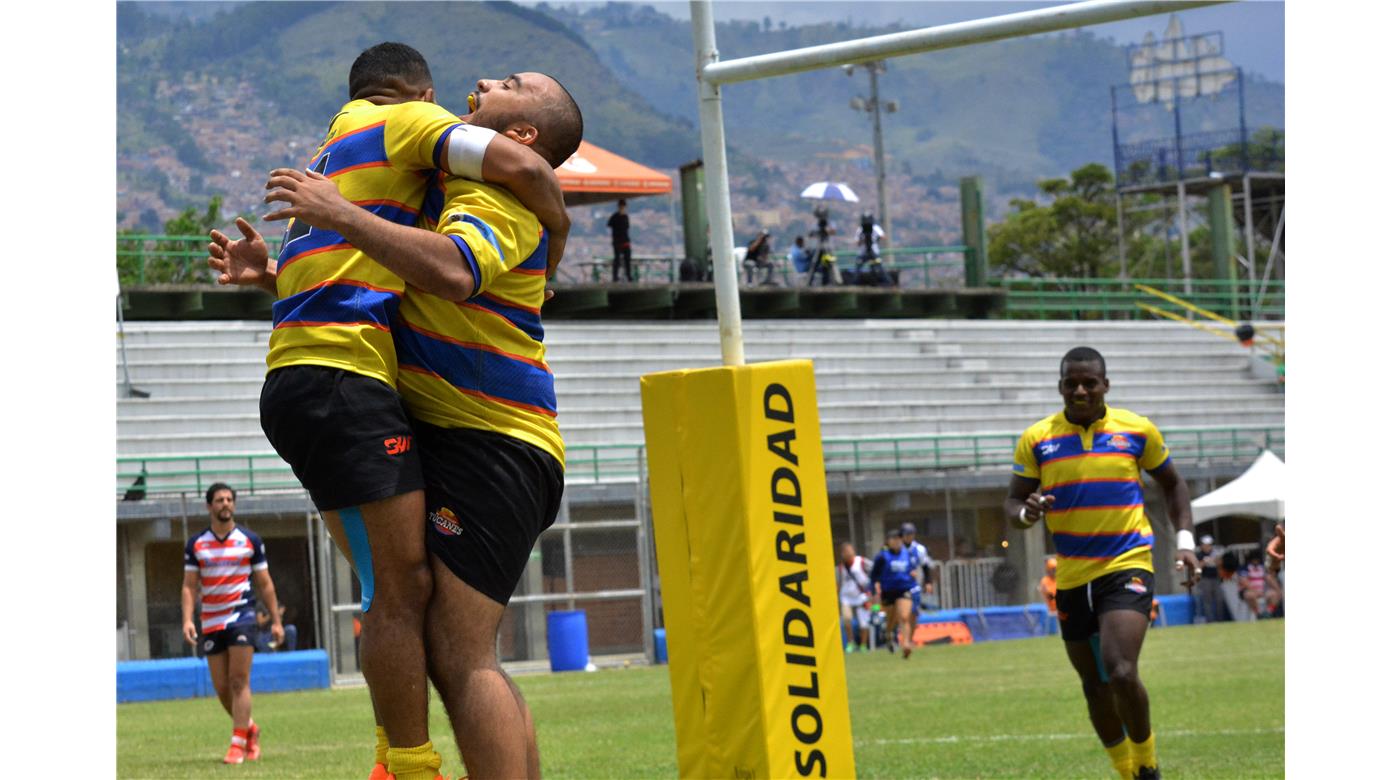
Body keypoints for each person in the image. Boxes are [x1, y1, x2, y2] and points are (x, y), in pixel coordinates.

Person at [208, 43, 570, 780]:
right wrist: (281, 274)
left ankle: (402, 763)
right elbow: (369, 278)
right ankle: (403, 758)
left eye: (508, 84)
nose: (483, 81)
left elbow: (451, 269)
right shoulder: (434, 190)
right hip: (455, 432)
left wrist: (555, 233)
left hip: (495, 440)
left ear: (522, 136)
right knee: (441, 636)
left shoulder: (498, 196)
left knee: (460, 651)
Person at [1005, 346, 1199, 780]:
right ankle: (1126, 770)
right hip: (1072, 574)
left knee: (1121, 669)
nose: (1080, 390)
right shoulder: (1037, 439)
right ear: (1060, 387)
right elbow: (1014, 502)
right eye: (1071, 382)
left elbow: (1173, 484)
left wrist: (1185, 541)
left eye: (1089, 382)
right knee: (1094, 685)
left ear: (1105, 385)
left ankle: (1148, 765)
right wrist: (1026, 514)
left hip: (1127, 563)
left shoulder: (1136, 430)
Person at [181, 483, 284, 765]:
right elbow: (189, 586)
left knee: (239, 681)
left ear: (234, 505)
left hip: (242, 617)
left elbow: (265, 583)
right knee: (222, 688)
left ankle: (237, 743)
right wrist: (188, 619)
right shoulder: (196, 544)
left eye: (229, 499)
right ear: (209, 506)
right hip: (211, 621)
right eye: (219, 500)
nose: (225, 503)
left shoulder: (250, 540)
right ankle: (250, 728)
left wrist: (276, 620)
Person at [869, 528, 918, 659]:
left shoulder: (907, 554)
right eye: (894, 539)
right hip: (888, 592)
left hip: (903, 589)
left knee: (904, 616)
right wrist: (874, 591)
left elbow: (912, 568)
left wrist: (913, 574)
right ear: (888, 541)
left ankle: (906, 643)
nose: (897, 542)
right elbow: (874, 576)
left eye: (899, 539)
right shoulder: (882, 556)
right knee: (891, 619)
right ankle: (889, 635)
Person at [835, 542, 873, 652]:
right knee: (847, 619)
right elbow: (838, 583)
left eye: (850, 550)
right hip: (846, 597)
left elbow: (875, 570)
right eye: (845, 551)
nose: (848, 553)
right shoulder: (840, 568)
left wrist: (872, 589)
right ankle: (851, 643)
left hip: (861, 596)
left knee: (864, 622)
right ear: (842, 554)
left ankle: (863, 645)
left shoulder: (861, 561)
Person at [899, 522, 933, 615]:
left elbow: (925, 566)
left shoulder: (919, 549)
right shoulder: (896, 548)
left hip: (913, 584)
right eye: (907, 534)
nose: (909, 536)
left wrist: (928, 582)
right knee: (902, 612)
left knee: (914, 612)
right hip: (898, 584)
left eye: (911, 534)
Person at [853, 212, 890, 286]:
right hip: (863, 252)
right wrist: (863, 240)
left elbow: (883, 236)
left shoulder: (875, 228)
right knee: (858, 268)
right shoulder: (860, 230)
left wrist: (875, 239)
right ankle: (854, 283)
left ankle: (886, 283)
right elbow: (857, 242)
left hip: (874, 251)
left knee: (879, 267)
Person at [1194, 534, 1224, 623]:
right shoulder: (1199, 555)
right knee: (1208, 601)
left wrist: (1215, 560)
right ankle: (1210, 620)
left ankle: (1220, 619)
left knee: (1219, 599)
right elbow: (1197, 567)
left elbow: (1220, 564)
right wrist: (1205, 562)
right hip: (1205, 579)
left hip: (1216, 579)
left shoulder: (1215, 553)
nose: (1208, 547)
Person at [608, 199, 632, 282]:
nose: (622, 208)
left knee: (627, 260)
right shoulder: (615, 217)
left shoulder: (625, 217)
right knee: (617, 260)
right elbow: (609, 225)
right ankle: (615, 277)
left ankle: (629, 276)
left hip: (625, 241)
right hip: (617, 242)